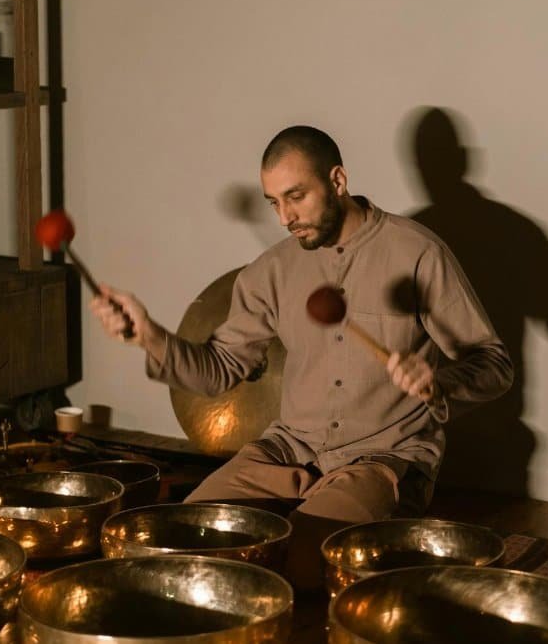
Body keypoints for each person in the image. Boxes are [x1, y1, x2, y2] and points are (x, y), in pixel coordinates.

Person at [89, 125, 513, 589]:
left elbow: (495, 364)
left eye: (296, 196)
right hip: (289, 449)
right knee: (185, 538)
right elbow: (218, 373)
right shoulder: (270, 272)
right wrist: (149, 335)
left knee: (307, 564)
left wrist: (438, 380)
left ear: (337, 181)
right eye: (274, 202)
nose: (285, 217)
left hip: (383, 458)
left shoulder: (418, 253)